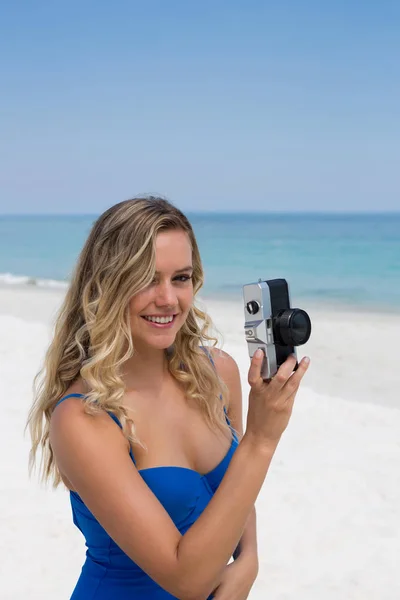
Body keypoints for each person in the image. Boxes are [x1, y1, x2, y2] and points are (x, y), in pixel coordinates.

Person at [27, 196, 310, 600]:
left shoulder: (217, 374)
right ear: (106, 284)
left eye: (181, 278)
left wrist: (249, 558)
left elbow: (235, 491)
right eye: (146, 278)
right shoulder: (83, 418)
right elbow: (185, 580)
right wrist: (262, 440)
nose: (168, 299)